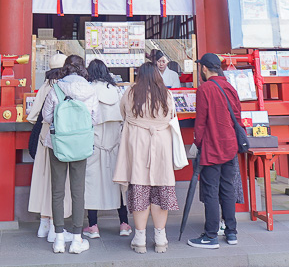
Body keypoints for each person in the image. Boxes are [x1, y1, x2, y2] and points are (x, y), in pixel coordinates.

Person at [112, 62, 177, 254]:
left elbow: (122, 112)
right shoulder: (166, 93)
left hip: (137, 144)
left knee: (139, 188)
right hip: (161, 144)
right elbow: (172, 114)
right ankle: (160, 237)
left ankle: (139, 238)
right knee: (160, 189)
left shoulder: (131, 92)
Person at [41, 55, 98, 254]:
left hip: (57, 144)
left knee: (57, 191)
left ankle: (58, 239)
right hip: (80, 144)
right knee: (77, 191)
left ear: (65, 68)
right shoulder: (90, 90)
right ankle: (76, 239)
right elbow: (94, 118)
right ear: (83, 69)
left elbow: (47, 117)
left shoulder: (55, 88)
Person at [188, 53, 241, 250]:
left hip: (211, 146)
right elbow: (237, 116)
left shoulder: (205, 89)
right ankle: (231, 232)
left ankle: (211, 235)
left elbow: (200, 122)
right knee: (227, 189)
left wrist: (197, 143)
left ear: (203, 68)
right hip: (230, 145)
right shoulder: (230, 87)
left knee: (211, 191)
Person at [83, 59, 131, 238]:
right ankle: (124, 224)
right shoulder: (117, 90)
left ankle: (93, 226)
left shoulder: (88, 90)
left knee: (92, 184)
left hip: (94, 144)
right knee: (118, 184)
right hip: (115, 145)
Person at [27, 53, 71, 241]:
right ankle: (55, 227)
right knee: (58, 182)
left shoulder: (45, 86)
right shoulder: (65, 87)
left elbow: (32, 115)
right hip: (59, 140)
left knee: (43, 180)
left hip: (43, 138)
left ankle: (43, 225)